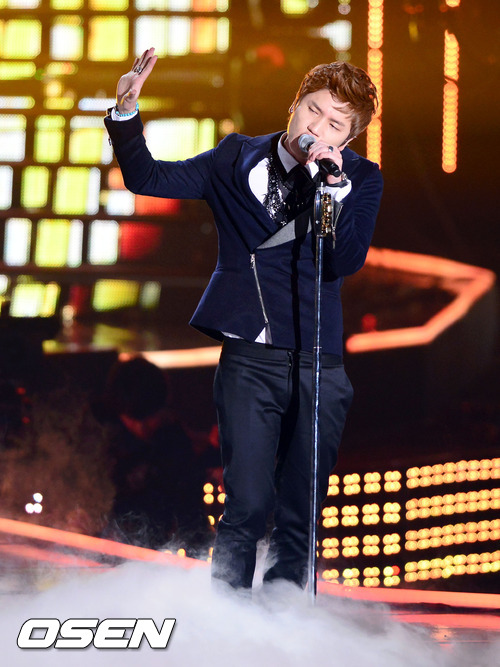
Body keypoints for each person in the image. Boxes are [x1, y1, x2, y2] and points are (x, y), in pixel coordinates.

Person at [104, 48, 383, 589]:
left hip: (319, 363)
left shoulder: (358, 179)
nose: (317, 128)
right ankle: (228, 621)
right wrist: (126, 112)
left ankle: (283, 621)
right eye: (313, 110)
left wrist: (333, 192)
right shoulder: (235, 157)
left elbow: (345, 260)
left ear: (347, 139)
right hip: (250, 358)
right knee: (247, 505)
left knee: (300, 512)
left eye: (335, 124)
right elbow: (147, 178)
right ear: (294, 105)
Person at [94, 356, 209, 552]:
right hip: (108, 549)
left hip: (161, 552)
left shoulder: (176, 444)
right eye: (132, 419)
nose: (141, 427)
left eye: (149, 418)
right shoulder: (101, 440)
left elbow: (192, 514)